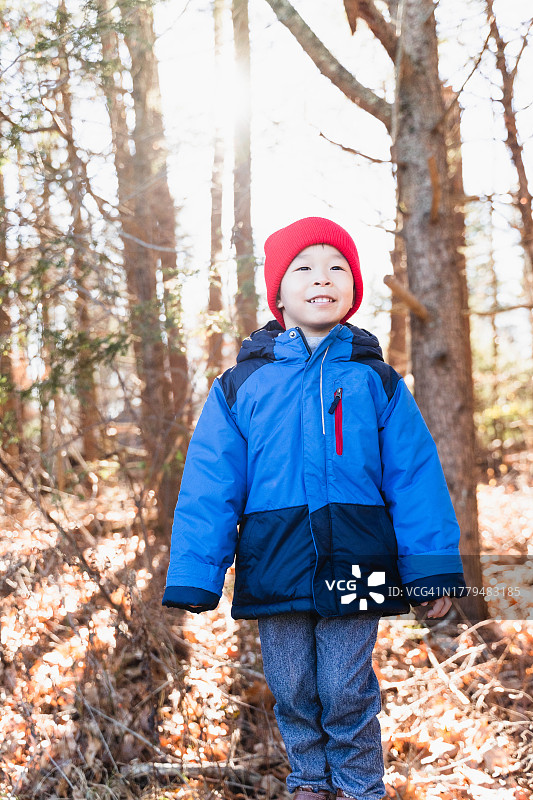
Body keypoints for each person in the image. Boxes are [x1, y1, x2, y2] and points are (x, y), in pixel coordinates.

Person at [162, 217, 467, 800]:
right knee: (294, 684)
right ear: (278, 294)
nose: (321, 278)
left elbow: (414, 478)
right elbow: (210, 486)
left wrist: (430, 569)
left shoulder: (376, 380)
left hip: (359, 555)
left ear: (353, 290)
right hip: (275, 555)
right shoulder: (241, 385)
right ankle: (309, 780)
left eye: (336, 268)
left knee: (344, 684)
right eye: (304, 267)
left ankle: (358, 788)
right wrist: (195, 573)